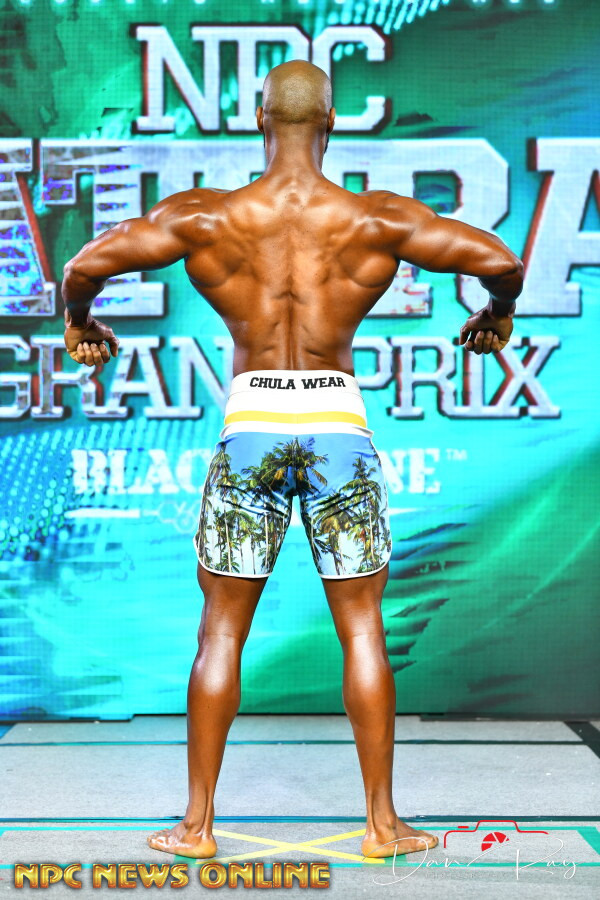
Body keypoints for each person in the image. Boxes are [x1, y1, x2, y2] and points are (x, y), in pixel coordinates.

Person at [61, 60, 523, 860]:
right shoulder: (375, 217)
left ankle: (197, 827)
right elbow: (500, 262)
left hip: (252, 429)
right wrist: (496, 314)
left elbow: (84, 268)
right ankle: (383, 825)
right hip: (338, 428)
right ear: (333, 120)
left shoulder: (208, 215)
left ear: (259, 119)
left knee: (220, 634)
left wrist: (83, 323)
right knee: (363, 629)